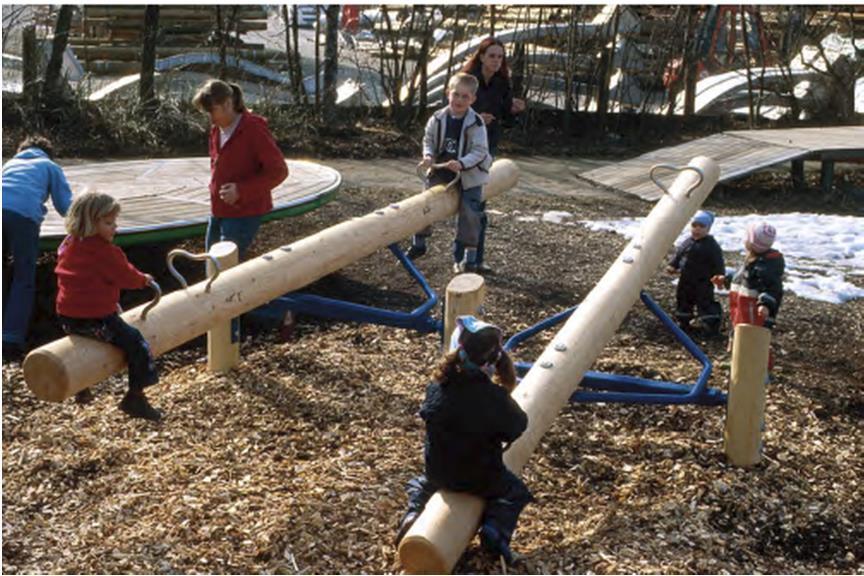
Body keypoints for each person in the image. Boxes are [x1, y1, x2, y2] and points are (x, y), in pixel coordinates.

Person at [395, 316, 532, 565]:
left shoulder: (437, 386)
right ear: (492, 362)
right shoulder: (493, 397)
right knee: (515, 492)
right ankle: (494, 530)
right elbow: (518, 426)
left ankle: (414, 511)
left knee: (422, 483)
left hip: (437, 470)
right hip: (479, 477)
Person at [54, 192, 163, 421]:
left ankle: (81, 385)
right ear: (89, 223)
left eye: (114, 222)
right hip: (95, 319)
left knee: (87, 340)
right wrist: (144, 279)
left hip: (67, 317)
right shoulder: (105, 252)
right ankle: (136, 397)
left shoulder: (69, 243)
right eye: (108, 223)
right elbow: (126, 277)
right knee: (137, 344)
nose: (115, 227)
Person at [192, 79, 288, 258]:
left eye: (212, 110)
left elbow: (279, 171)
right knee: (211, 263)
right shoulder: (216, 129)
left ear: (228, 103)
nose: (210, 118)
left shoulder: (253, 129)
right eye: (206, 112)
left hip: (244, 212)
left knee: (224, 268)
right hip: (219, 210)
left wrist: (242, 191)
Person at [454, 37, 527, 274]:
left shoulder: (502, 83)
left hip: (487, 147)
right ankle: (461, 257)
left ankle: (475, 257)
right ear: (482, 56)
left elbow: (505, 117)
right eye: (492, 56)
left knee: (479, 201)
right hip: (462, 147)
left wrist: (514, 110)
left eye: (500, 56)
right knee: (468, 202)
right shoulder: (466, 80)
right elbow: (450, 111)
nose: (497, 61)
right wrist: (474, 119)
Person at [408, 73, 492, 273]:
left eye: (465, 97)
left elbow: (480, 151)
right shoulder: (437, 118)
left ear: (472, 99)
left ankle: (468, 256)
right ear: (448, 94)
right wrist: (428, 155)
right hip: (442, 168)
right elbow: (428, 139)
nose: (460, 100)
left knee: (471, 210)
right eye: (456, 95)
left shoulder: (476, 123)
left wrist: (462, 163)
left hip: (468, 173)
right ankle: (419, 241)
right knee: (425, 200)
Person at [2, 135, 73, 360]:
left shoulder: (9, 164)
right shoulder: (49, 166)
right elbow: (65, 207)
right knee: (23, 279)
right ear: (48, 153)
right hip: (23, 217)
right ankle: (10, 341)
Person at [713, 221, 785, 367]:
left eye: (747, 237)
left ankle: (762, 367)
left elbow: (773, 288)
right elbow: (742, 277)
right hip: (741, 307)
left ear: (753, 243)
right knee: (738, 332)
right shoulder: (752, 260)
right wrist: (726, 280)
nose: (744, 240)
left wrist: (765, 304)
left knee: (754, 338)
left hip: (753, 310)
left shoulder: (766, 266)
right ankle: (737, 361)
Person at [666, 210, 725, 336]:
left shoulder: (711, 245)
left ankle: (711, 323)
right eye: (694, 225)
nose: (697, 229)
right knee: (683, 299)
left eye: (702, 227)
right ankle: (683, 321)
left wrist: (719, 274)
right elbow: (679, 253)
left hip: (703, 281)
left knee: (705, 301)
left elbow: (718, 260)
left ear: (708, 229)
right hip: (686, 279)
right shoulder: (688, 242)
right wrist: (673, 265)